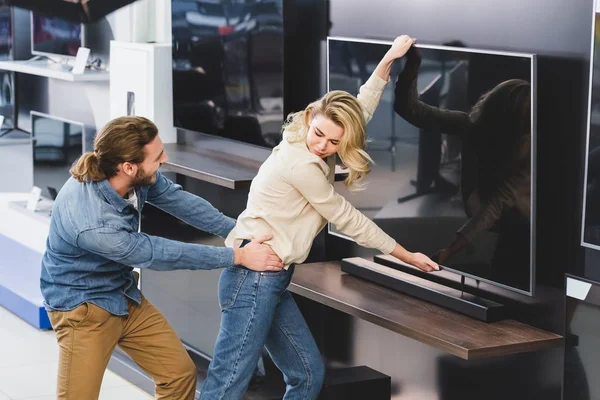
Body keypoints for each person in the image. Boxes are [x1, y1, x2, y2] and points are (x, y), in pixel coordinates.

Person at [199, 35, 438, 400]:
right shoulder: (301, 163)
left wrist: (388, 60)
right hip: (253, 278)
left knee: (308, 374)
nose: (323, 145)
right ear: (310, 118)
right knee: (226, 386)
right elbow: (346, 217)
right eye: (319, 134)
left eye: (333, 142)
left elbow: (361, 108)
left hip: (274, 278)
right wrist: (404, 255)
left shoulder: (308, 135)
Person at [40, 116, 283, 400]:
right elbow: (158, 253)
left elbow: (180, 201)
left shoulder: (134, 178)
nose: (165, 159)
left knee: (179, 375)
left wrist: (239, 231)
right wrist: (238, 256)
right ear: (129, 167)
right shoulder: (91, 222)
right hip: (83, 308)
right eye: (158, 156)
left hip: (122, 294)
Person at [394, 45, 531, 266]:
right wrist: (411, 66)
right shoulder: (472, 126)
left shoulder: (528, 149)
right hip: (502, 222)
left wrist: (449, 250)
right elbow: (410, 109)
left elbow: (496, 205)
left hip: (523, 229)